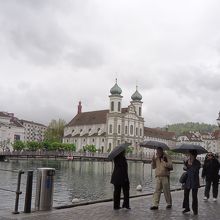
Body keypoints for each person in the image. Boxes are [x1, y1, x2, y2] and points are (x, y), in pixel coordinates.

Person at [182, 150, 201, 215]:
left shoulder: (198, 163)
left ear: (194, 155)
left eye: (190, 155)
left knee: (194, 196)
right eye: (189, 155)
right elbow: (185, 169)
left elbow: (194, 171)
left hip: (194, 181)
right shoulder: (187, 161)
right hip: (188, 180)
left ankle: (195, 210)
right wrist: (185, 164)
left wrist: (190, 165)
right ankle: (187, 208)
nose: (189, 156)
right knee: (186, 195)